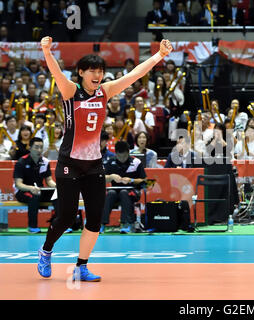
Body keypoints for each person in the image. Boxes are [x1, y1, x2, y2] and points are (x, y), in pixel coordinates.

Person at [36, 35, 172, 282]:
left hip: (94, 165)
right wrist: (46, 51)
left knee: (96, 218)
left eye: (100, 71)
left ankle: (82, 266)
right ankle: (46, 251)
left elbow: (134, 75)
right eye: (92, 71)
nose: (97, 75)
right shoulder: (71, 91)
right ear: (81, 73)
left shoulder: (105, 91)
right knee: (66, 217)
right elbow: (56, 73)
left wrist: (159, 56)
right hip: (69, 164)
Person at [101, 141, 147, 234]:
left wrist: (131, 180)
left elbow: (146, 181)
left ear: (128, 153)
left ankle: (126, 223)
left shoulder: (136, 162)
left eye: (124, 156)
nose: (122, 159)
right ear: (116, 153)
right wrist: (111, 177)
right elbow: (102, 179)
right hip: (114, 191)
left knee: (124, 192)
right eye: (119, 156)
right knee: (110, 193)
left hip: (132, 192)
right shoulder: (111, 161)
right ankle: (101, 224)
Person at [13, 137, 57, 233]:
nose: (39, 150)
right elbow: (18, 184)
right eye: (36, 147)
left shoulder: (45, 162)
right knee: (34, 196)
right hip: (22, 192)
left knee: (57, 194)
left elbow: (49, 180)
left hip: (39, 190)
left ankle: (59, 226)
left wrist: (56, 186)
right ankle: (32, 227)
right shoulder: (21, 162)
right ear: (30, 148)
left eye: (41, 147)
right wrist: (31, 188)